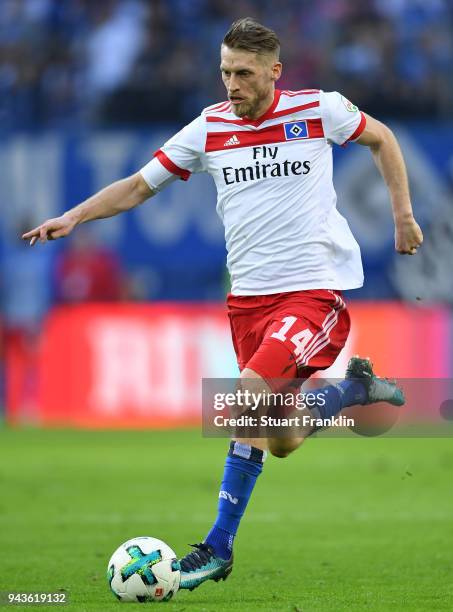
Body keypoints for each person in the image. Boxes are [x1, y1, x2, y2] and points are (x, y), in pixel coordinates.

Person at [23, 18, 423, 591]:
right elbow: (139, 185)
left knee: (245, 398)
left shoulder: (318, 109)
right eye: (224, 72)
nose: (231, 84)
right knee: (278, 439)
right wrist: (74, 216)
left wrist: (403, 216)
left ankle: (217, 547)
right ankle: (354, 390)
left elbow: (382, 138)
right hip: (247, 306)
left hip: (312, 293)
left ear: (274, 72)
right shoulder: (208, 127)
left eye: (243, 73)